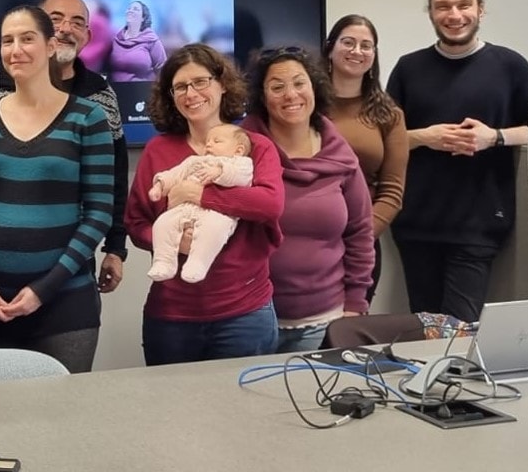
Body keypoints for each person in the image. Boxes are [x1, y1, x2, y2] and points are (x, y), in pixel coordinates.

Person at [0, 6, 115, 372]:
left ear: (51, 45)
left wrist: (45, 288)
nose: (16, 50)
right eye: (7, 41)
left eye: (27, 39)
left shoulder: (88, 117)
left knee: (60, 423)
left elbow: (100, 211)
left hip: (64, 305)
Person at [387, 0, 528, 321]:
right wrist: (425, 136)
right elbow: (385, 140)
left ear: (480, 9)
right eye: (443, 7)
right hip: (416, 223)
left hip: (478, 223)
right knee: (423, 329)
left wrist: (495, 136)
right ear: (431, 12)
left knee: (458, 330)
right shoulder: (409, 68)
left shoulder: (510, 65)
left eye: (463, 5)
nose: (454, 15)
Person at [126, 44, 284, 364]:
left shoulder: (255, 146)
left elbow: (270, 205)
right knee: (173, 412)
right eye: (180, 87)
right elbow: (136, 222)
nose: (191, 94)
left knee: (243, 413)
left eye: (201, 81)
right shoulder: (158, 150)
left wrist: (201, 196)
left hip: (245, 315)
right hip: (172, 316)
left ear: (222, 83)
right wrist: (170, 241)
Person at [0, 0, 131, 293]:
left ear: (87, 34)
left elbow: (114, 179)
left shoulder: (101, 96)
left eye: (77, 22)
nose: (66, 29)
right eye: (55, 20)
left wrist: (115, 246)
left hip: (71, 268)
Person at [242, 47, 374, 353]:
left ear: (314, 87)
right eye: (277, 87)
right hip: (252, 319)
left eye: (299, 83)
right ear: (262, 97)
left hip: (325, 320)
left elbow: (360, 234)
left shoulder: (341, 156)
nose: (291, 94)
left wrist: (355, 304)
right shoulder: (241, 151)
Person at [323, 14, 406, 301]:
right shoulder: (303, 106)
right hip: (306, 244)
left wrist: (359, 239)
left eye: (366, 45)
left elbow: (392, 192)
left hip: (361, 244)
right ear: (330, 49)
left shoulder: (389, 115)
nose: (357, 51)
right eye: (348, 42)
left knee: (350, 332)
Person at [146, 124, 255, 283]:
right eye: (208, 141)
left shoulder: (241, 163)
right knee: (162, 224)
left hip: (217, 213)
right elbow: (175, 174)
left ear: (238, 150)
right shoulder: (194, 161)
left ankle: (198, 263)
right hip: (185, 207)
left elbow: (242, 178)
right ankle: (163, 261)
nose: (209, 144)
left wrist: (219, 172)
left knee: (214, 230)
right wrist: (160, 185)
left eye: (217, 141)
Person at [110, 0, 167, 82]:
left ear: (143, 18)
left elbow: (163, 69)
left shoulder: (151, 39)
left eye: (135, 9)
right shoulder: (115, 39)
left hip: (142, 91)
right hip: (115, 91)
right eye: (129, 8)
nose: (130, 11)